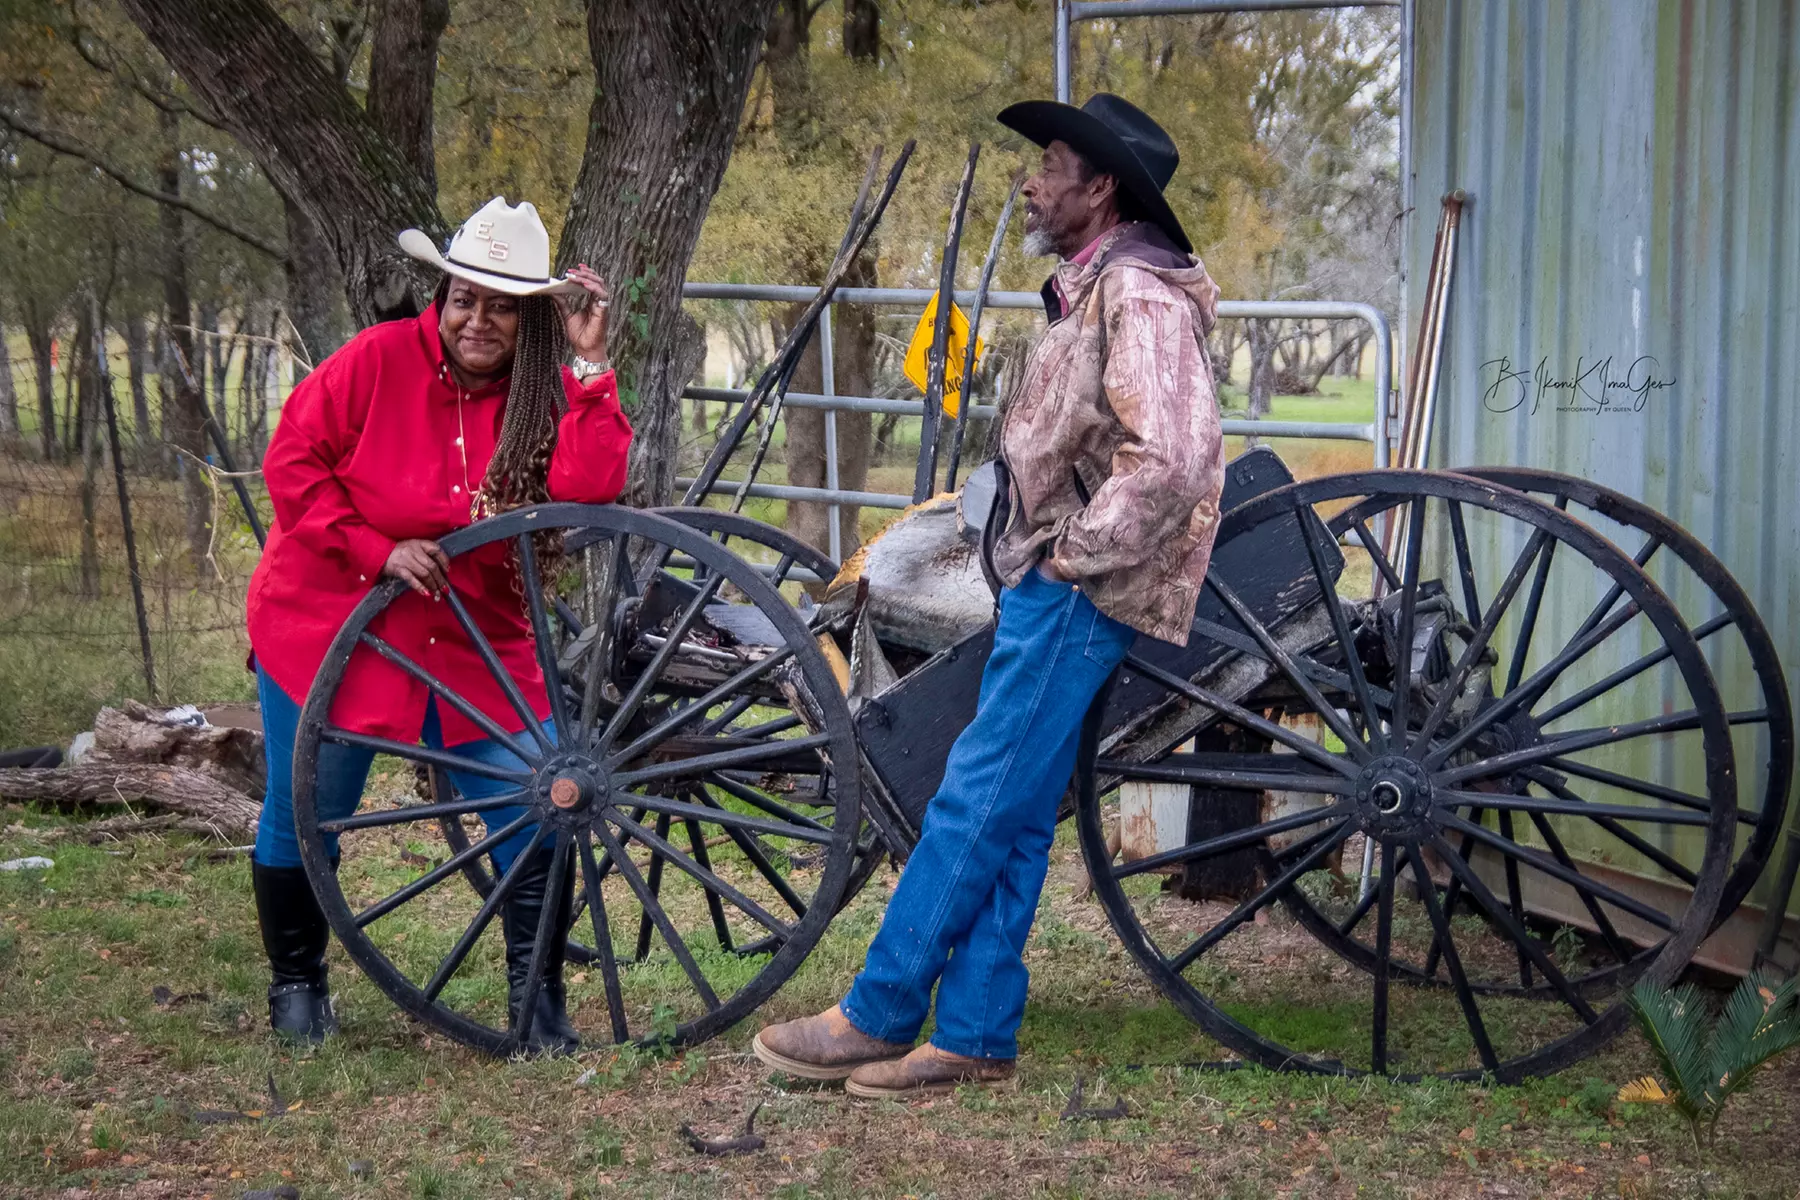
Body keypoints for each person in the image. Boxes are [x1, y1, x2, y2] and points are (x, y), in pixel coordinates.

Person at [752, 94, 1225, 1097]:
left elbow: (1174, 462)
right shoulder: (1098, 286)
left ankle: (877, 1011)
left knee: (975, 796)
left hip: (1078, 593)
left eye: (1049, 164)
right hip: (1054, 583)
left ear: (1100, 187)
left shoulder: (1135, 294)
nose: (1031, 181)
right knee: (1009, 809)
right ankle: (972, 1033)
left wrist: (1068, 557)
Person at [247, 197, 632, 1049]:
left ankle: (536, 1008)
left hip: (476, 641)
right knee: (307, 808)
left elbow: (592, 483)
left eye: (501, 305)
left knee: (541, 801)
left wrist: (592, 365)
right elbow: (293, 461)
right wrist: (373, 547)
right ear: (443, 295)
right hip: (336, 625)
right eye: (465, 298)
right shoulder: (377, 360)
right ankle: (298, 985)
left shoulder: (543, 393)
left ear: (531, 317)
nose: (477, 320)